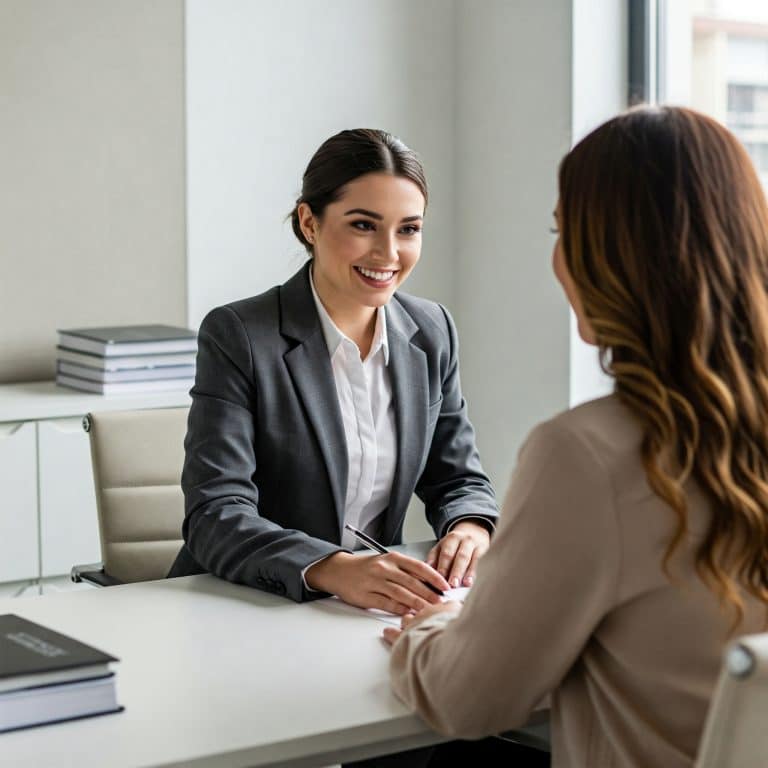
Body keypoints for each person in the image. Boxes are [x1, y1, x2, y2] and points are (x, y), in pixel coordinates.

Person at [384, 106, 768, 768]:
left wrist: (431, 630)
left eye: (565, 231)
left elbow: (468, 699)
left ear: (607, 259)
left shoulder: (590, 457)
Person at [168, 128, 498, 616]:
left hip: (361, 611)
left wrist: (469, 527)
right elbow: (215, 515)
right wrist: (334, 567)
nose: (389, 253)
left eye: (408, 229)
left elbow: (457, 478)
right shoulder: (239, 334)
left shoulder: (430, 331)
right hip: (240, 605)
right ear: (310, 223)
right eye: (364, 225)